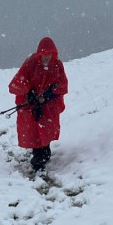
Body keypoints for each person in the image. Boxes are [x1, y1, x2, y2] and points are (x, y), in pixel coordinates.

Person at [9, 37, 68, 172]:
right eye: (44, 55)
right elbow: (18, 82)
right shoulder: (31, 63)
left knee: (46, 128)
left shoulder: (57, 64)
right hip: (30, 104)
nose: (46, 57)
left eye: (49, 54)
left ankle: (44, 154)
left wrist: (48, 95)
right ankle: (38, 159)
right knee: (34, 130)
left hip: (49, 105)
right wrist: (30, 93)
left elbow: (62, 84)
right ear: (39, 53)